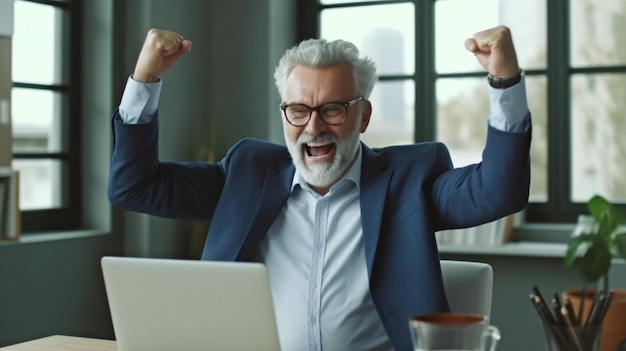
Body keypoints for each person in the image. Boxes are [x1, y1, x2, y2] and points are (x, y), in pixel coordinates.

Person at [108, 25, 531, 351]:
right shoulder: (246, 174)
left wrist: (505, 82)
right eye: (298, 110)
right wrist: (145, 78)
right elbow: (133, 186)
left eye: (332, 109)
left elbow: (498, 190)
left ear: (362, 117)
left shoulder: (408, 181)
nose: (313, 127)